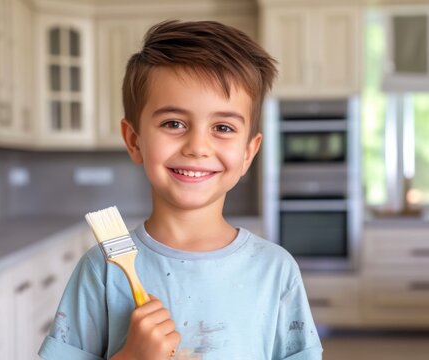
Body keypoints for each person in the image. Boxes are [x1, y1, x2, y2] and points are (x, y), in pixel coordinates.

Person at [38, 19, 323, 360]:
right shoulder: (103, 269)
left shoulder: (276, 269)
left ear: (248, 152)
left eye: (222, 127)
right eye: (174, 123)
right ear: (134, 140)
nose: (197, 146)